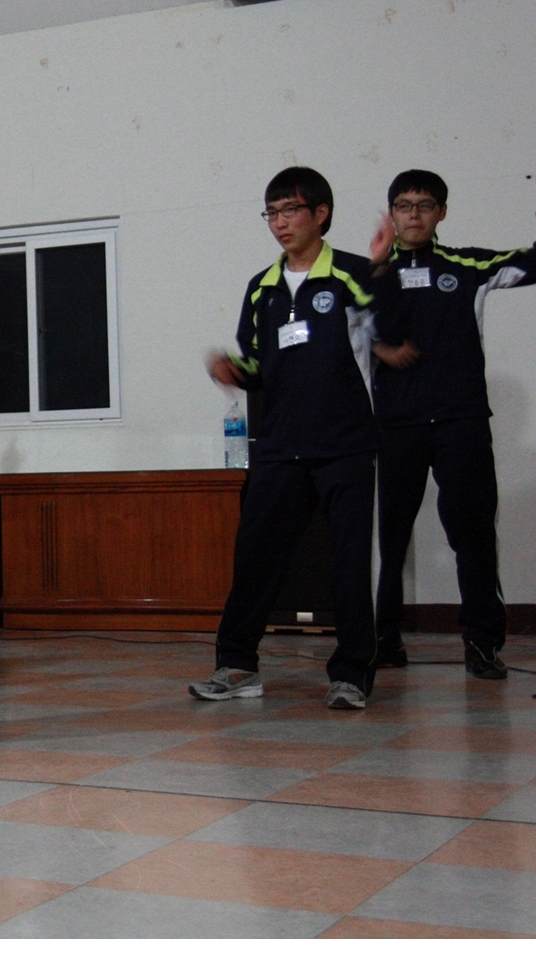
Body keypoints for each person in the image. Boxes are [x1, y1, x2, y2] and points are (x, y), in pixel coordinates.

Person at [365, 160, 536, 679]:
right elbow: (351, 332)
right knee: (389, 537)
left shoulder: (467, 266)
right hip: (396, 425)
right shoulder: (368, 272)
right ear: (391, 213)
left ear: (442, 212)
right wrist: (378, 273)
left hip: (461, 422)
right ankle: (384, 639)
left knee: (473, 535)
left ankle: (482, 643)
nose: (414, 215)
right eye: (404, 206)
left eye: (424, 206)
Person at [194, 166, 384, 710]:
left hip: (345, 443)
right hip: (279, 445)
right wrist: (237, 370)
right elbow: (258, 362)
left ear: (320, 214)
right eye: (271, 213)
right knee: (255, 557)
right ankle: (237, 666)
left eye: (290, 210)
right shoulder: (262, 287)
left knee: (348, 563)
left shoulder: (352, 273)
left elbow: (389, 326)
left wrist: (382, 272)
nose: (280, 222)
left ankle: (351, 675)